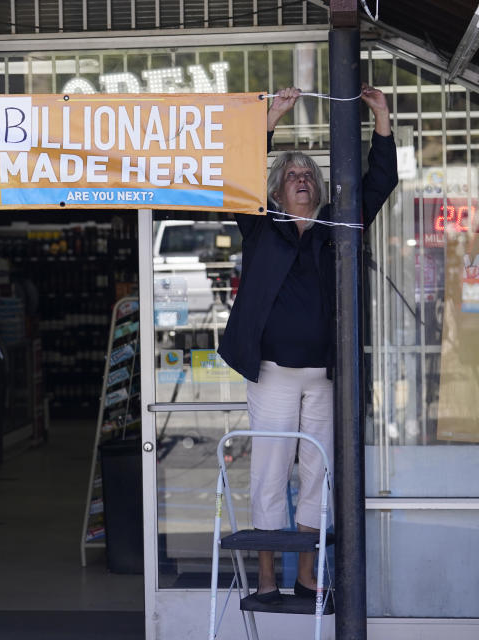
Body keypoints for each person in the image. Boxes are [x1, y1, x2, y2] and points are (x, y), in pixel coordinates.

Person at [218, 84, 398, 605]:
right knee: (271, 470)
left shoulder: (335, 228)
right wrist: (270, 118)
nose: (301, 181)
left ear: (319, 191)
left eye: (308, 177)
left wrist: (381, 119)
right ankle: (268, 577)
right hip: (272, 371)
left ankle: (307, 575)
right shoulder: (260, 226)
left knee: (319, 472)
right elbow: (241, 174)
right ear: (276, 192)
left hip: (324, 374)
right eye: (292, 176)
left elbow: (379, 181)